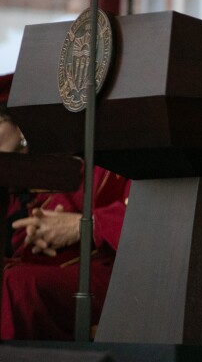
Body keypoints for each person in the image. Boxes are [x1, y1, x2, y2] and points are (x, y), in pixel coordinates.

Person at [0, 73, 131, 340]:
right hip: (46, 271)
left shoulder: (112, 154)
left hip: (111, 274)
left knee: (19, 286)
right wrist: (39, 231)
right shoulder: (22, 180)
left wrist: (81, 225)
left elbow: (150, 218)